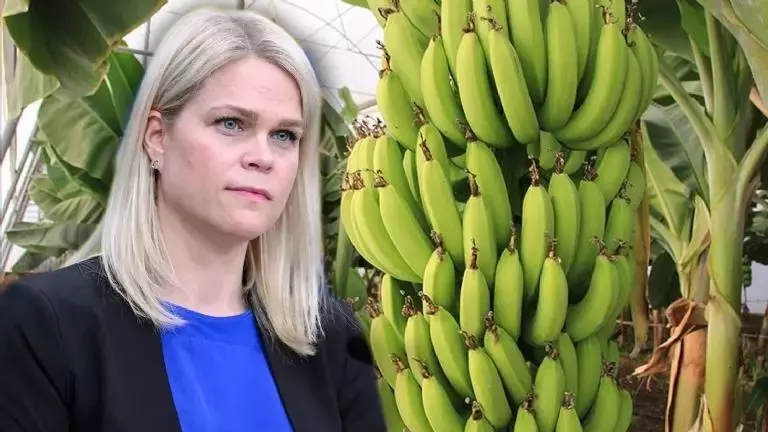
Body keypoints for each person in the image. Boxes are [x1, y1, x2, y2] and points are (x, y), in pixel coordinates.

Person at [0, 6, 386, 432]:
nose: (263, 157)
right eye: (231, 123)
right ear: (157, 137)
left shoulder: (329, 339)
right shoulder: (47, 324)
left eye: (284, 135)